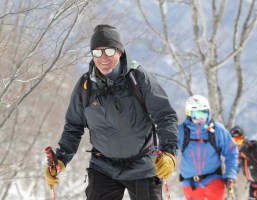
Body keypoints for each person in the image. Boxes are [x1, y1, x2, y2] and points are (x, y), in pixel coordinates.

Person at [44, 24, 179, 200]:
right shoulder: (86, 86)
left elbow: (165, 116)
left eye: (108, 51)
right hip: (103, 167)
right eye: (97, 52)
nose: (103, 58)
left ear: (120, 51)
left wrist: (169, 153)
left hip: (142, 165)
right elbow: (74, 126)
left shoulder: (138, 78)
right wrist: (61, 159)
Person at [178, 95, 239, 200]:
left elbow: (231, 151)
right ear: (189, 114)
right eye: (197, 114)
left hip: (213, 179)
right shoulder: (181, 131)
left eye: (204, 113)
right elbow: (166, 146)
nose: (201, 118)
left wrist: (231, 173)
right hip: (190, 182)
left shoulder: (217, 130)